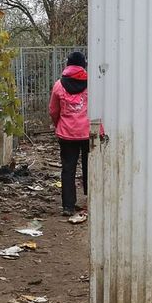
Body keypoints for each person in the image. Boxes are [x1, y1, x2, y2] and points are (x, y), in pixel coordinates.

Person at [49, 51, 90, 216]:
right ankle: (91, 200)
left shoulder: (59, 85)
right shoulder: (92, 83)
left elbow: (53, 110)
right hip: (88, 133)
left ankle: (68, 206)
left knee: (68, 169)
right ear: (83, 65)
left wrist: (58, 124)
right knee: (90, 167)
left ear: (68, 64)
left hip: (67, 134)